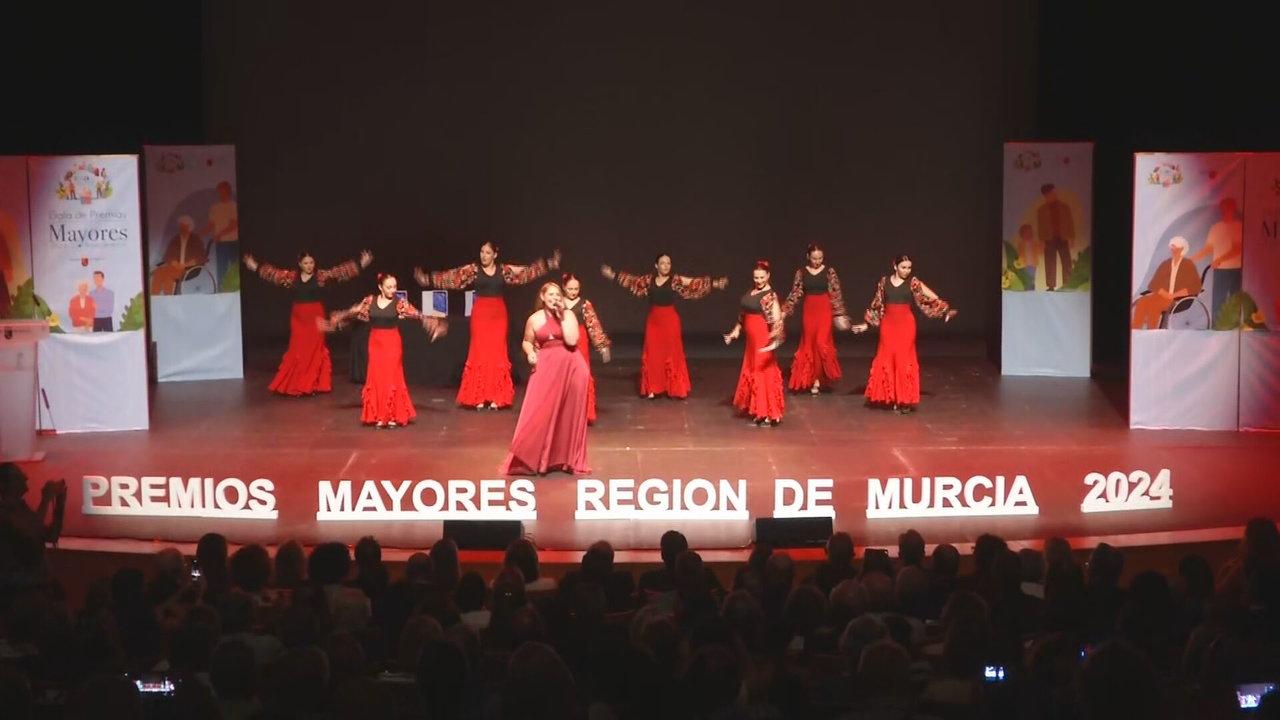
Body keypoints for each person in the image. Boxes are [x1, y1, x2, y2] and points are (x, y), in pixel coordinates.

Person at [415, 243, 560, 410]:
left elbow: (525, 273)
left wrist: (548, 264)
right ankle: (478, 396)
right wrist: (429, 279)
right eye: (482, 252)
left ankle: (496, 397)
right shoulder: (473, 270)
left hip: (498, 314)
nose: (484, 255)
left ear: (495, 255)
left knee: (497, 352)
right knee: (480, 351)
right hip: (481, 314)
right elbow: (453, 277)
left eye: (488, 253)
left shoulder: (503, 270)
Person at [325, 273, 447, 428]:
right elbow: (354, 311)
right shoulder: (370, 301)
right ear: (380, 287)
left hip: (392, 344)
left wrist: (434, 324)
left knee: (391, 377)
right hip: (375, 343)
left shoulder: (399, 303)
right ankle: (377, 415)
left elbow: (418, 314)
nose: (392, 290)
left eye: (395, 286)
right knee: (377, 377)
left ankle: (392, 415)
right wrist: (337, 319)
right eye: (389, 287)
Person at [244, 250, 372, 396]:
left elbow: (340, 273)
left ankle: (312, 384)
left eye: (311, 262)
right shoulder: (292, 277)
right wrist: (254, 266)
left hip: (315, 317)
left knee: (314, 350)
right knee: (298, 349)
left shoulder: (320, 277)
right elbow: (275, 275)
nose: (309, 266)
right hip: (298, 319)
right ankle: (296, 383)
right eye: (306, 263)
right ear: (300, 264)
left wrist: (361, 264)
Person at [601, 254, 728, 398]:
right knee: (653, 353)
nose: (666, 266)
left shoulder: (675, 280)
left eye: (668, 263)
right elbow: (633, 281)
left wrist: (716, 283)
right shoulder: (649, 280)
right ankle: (654, 388)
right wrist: (613, 275)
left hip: (670, 321)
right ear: (656, 265)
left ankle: (674, 388)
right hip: (654, 322)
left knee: (672, 353)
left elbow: (694, 283)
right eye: (662, 263)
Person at [500, 282, 590, 475]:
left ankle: (563, 460)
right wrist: (530, 352)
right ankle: (535, 458)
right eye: (551, 295)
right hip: (546, 366)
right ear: (542, 296)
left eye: (558, 295)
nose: (555, 298)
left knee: (567, 415)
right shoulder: (534, 319)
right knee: (538, 411)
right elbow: (526, 341)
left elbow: (572, 341)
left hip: (571, 367)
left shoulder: (568, 315)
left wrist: (561, 315)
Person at [851, 255, 957, 413]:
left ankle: (903, 400)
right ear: (895, 266)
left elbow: (930, 297)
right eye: (903, 267)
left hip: (906, 326)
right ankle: (891, 397)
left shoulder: (913, 282)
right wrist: (866, 325)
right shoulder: (884, 282)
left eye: (909, 268)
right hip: (888, 325)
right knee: (887, 358)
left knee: (903, 360)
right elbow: (877, 304)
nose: (906, 271)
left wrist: (945, 309)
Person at [781, 244, 851, 395]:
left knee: (821, 343)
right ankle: (811, 379)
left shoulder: (829, 272)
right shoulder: (802, 273)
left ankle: (819, 378)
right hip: (809, 310)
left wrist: (839, 314)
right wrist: (785, 310)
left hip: (824, 309)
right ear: (808, 257)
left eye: (820, 258)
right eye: (814, 258)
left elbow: (836, 293)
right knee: (809, 343)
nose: (817, 261)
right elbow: (795, 293)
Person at [724, 260, 786, 426]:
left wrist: (774, 341)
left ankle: (769, 413)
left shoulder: (770, 296)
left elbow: (777, 320)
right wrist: (735, 331)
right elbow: (743, 314)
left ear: (768, 276)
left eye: (761, 277)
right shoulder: (751, 291)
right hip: (751, 341)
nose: (758, 280)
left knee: (763, 372)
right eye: (756, 277)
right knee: (753, 370)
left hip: (762, 338)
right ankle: (759, 410)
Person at [561, 273, 611, 424]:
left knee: (581, 374)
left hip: (580, 340)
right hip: (563, 340)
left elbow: (593, 325)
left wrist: (602, 346)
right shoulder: (558, 303)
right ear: (564, 288)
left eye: (576, 288)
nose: (573, 292)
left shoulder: (584, 304)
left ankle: (583, 412)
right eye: (570, 289)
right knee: (564, 375)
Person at [1131, 236, 1201, 330]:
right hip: (1164, 295)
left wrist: (1173, 295)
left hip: (1180, 298)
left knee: (1155, 306)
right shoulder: (1166, 264)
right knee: (1142, 301)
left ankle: (1153, 331)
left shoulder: (1188, 265)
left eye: (1175, 248)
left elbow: (1192, 287)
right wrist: (1165, 293)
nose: (1173, 250)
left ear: (1182, 249)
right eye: (1172, 247)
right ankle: (1135, 330)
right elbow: (1155, 284)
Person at [1188, 197, 1242, 319]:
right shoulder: (1215, 228)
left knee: (1234, 301)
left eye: (1227, 208)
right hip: (1219, 270)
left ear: (1233, 209)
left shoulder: (1237, 226)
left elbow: (1237, 249)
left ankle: (1233, 330)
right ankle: (1217, 329)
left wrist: (1219, 259)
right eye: (1222, 209)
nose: (1224, 211)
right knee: (1218, 300)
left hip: (1235, 269)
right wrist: (1192, 259)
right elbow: (1208, 249)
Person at [152, 215, 208, 295]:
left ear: (189, 227)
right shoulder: (175, 239)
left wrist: (185, 264)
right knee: (158, 272)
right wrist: (173, 262)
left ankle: (168, 298)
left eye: (184, 226)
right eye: (181, 226)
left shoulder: (195, 239)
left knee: (169, 274)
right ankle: (154, 298)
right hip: (175, 267)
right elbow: (168, 256)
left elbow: (201, 257)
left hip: (190, 269)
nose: (182, 229)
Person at [199, 181, 239, 289]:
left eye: (224, 190)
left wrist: (220, 234)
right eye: (220, 190)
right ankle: (222, 289)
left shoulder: (233, 206)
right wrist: (199, 234)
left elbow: (234, 224)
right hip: (220, 243)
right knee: (222, 268)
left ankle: (236, 291)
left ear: (229, 191)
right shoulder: (215, 207)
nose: (222, 192)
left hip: (233, 242)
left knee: (234, 268)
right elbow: (211, 224)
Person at [1038, 183, 1076, 291]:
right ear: (1046, 196)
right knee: (1050, 261)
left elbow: (1070, 223)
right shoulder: (1042, 210)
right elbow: (1040, 226)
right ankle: (1051, 285)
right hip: (1048, 238)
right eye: (1050, 194)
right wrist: (1041, 240)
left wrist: (1071, 237)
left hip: (1063, 237)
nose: (1053, 195)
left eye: (1054, 193)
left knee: (1066, 260)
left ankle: (1068, 283)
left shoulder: (1064, 207)